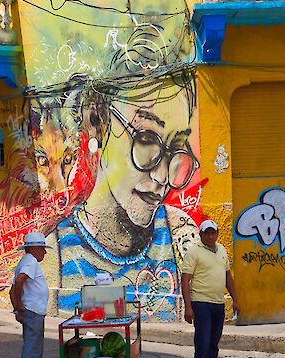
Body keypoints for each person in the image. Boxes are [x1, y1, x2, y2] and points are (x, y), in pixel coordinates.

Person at [56, 66, 201, 319]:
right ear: (96, 121)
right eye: (146, 140)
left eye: (177, 147)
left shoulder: (178, 231)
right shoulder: (55, 253)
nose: (162, 176)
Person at [181, 219, 239, 358]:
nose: (210, 236)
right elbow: (185, 280)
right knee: (203, 343)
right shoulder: (194, 252)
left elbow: (228, 276)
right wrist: (188, 307)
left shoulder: (221, 250)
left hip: (218, 303)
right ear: (201, 235)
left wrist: (236, 300)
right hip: (201, 303)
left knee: (213, 344)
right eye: (206, 233)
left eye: (213, 233)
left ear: (217, 234)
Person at [10, 232, 51, 358]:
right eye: (42, 248)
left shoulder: (25, 261)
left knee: (33, 349)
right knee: (32, 350)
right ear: (33, 248)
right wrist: (20, 306)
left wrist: (17, 309)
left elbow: (12, 290)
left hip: (31, 311)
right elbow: (19, 282)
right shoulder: (31, 261)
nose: (44, 252)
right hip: (32, 311)